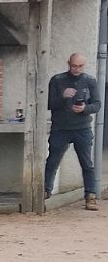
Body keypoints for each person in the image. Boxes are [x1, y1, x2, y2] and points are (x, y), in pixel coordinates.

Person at [44, 52, 100, 210]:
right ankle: (45, 190)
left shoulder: (89, 80)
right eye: (74, 66)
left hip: (82, 127)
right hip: (60, 127)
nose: (77, 69)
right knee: (53, 160)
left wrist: (84, 108)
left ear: (84, 65)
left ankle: (90, 196)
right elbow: (48, 103)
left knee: (87, 163)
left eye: (80, 66)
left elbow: (97, 104)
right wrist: (62, 96)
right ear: (68, 64)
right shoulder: (57, 80)